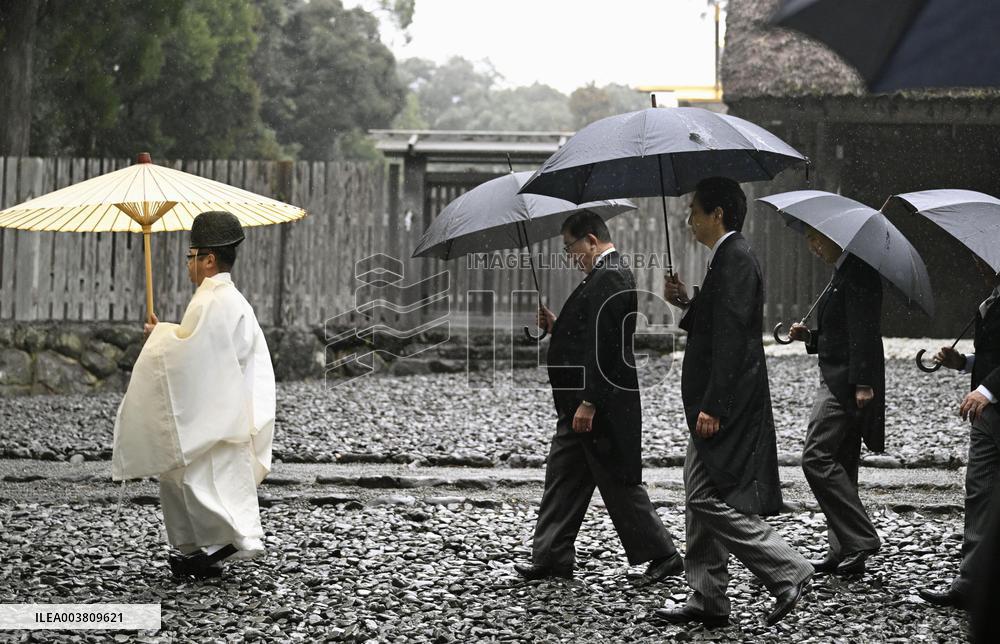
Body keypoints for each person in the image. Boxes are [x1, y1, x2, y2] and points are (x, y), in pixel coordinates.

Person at [654, 177, 812, 629]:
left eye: (694, 212)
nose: (688, 221)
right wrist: (687, 300)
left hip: (727, 402)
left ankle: (787, 568)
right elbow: (720, 319)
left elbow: (734, 339)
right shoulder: (726, 257)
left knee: (704, 495)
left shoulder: (735, 258)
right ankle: (706, 596)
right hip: (718, 398)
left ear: (718, 214)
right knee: (697, 489)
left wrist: (715, 405)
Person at [514, 210, 683, 585]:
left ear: (591, 240)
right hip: (584, 401)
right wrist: (558, 325)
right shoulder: (604, 276)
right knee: (564, 476)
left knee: (618, 481)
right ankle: (551, 555)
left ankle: (664, 554)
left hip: (598, 404)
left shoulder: (610, 276)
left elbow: (607, 347)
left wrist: (589, 401)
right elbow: (588, 335)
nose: (569, 255)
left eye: (571, 247)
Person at [112, 211, 275, 580]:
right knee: (204, 478)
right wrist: (164, 335)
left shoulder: (213, 300)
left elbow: (193, 355)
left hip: (216, 409)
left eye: (191, 256)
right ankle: (208, 551)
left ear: (208, 259)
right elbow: (198, 348)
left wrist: (158, 338)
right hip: (226, 404)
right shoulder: (228, 299)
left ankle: (218, 545)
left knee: (194, 476)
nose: (188, 264)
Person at [786, 228, 884, 576]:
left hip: (844, 383)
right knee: (842, 461)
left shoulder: (858, 273)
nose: (813, 246)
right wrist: (810, 336)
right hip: (839, 374)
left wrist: (862, 382)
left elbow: (865, 331)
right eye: (809, 239)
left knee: (815, 457)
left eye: (817, 238)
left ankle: (860, 536)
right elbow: (840, 334)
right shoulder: (843, 272)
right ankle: (844, 549)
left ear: (837, 236)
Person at [919, 261, 1000, 609]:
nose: (979, 264)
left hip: (989, 402)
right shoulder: (991, 301)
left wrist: (988, 389)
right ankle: (970, 583)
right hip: (986, 414)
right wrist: (963, 362)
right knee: (979, 492)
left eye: (985, 259)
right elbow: (993, 355)